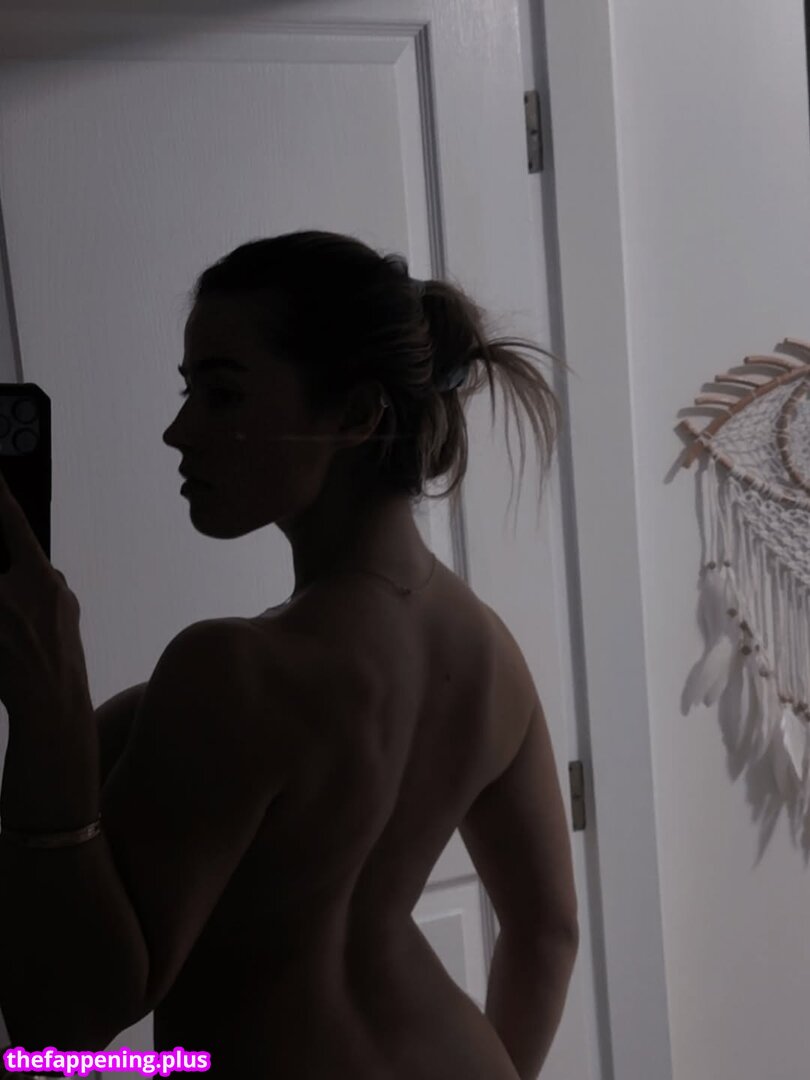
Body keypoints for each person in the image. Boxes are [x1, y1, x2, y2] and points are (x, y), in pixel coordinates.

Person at [3, 231, 579, 1079]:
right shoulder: (488, 650)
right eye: (189, 390)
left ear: (354, 415)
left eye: (223, 395)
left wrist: (46, 705)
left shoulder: (237, 671)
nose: (177, 431)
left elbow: (67, 1020)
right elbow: (548, 932)